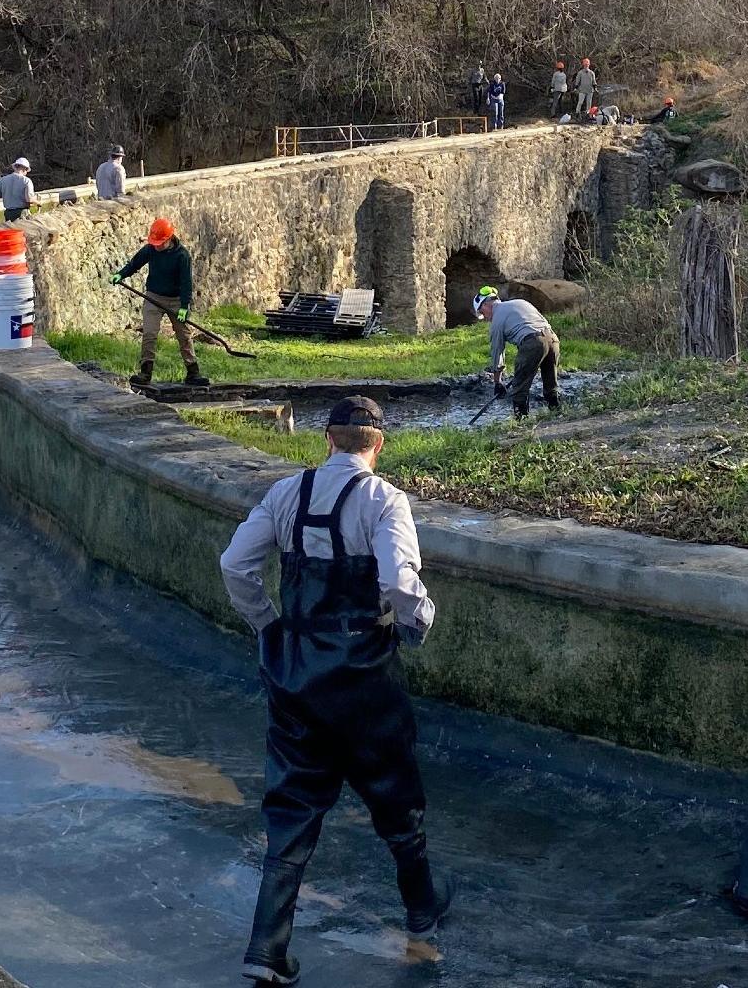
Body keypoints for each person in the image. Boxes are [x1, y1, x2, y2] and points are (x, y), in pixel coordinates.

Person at [218, 395, 451, 986]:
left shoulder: (285, 494)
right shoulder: (384, 500)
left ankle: (267, 949)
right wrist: (418, 626)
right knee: (395, 795)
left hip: (297, 674)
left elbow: (234, 565)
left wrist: (270, 627)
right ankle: (422, 908)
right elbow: (400, 581)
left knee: (292, 807)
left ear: (326, 440)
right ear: (379, 444)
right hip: (364, 678)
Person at [111, 217, 209, 388]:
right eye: (154, 242)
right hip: (154, 297)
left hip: (176, 300)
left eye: (160, 242)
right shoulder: (150, 250)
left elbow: (187, 283)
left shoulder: (182, 256)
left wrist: (184, 307)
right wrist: (121, 274)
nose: (157, 245)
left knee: (184, 335)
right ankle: (145, 372)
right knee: (149, 333)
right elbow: (134, 264)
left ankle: (193, 372)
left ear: (169, 238)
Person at [475, 285, 561, 417]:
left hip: (533, 343)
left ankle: (521, 421)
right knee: (550, 382)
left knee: (519, 387)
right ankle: (557, 414)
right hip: (553, 339)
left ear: (486, 305)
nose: (485, 317)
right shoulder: (520, 302)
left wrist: (498, 382)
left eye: (482, 313)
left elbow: (497, 353)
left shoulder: (497, 320)